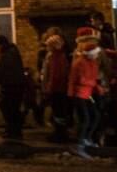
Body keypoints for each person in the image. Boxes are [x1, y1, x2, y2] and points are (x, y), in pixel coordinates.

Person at [68, 27, 103, 158]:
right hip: (79, 95)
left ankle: (86, 139)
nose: (97, 55)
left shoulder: (92, 62)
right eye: (96, 53)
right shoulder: (79, 63)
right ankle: (79, 144)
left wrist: (97, 88)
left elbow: (93, 77)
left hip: (87, 94)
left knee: (94, 116)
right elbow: (81, 79)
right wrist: (94, 84)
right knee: (86, 119)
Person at [0, 35, 25, 141]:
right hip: (17, 85)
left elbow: (1, 71)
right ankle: (13, 130)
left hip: (10, 86)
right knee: (13, 109)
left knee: (9, 109)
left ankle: (13, 131)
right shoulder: (13, 52)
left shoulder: (6, 55)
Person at [41, 34, 70, 142]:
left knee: (58, 111)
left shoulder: (55, 57)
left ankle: (60, 134)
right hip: (59, 88)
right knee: (59, 111)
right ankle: (60, 132)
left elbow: (55, 74)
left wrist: (49, 88)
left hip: (57, 89)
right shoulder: (60, 56)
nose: (47, 47)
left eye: (49, 45)